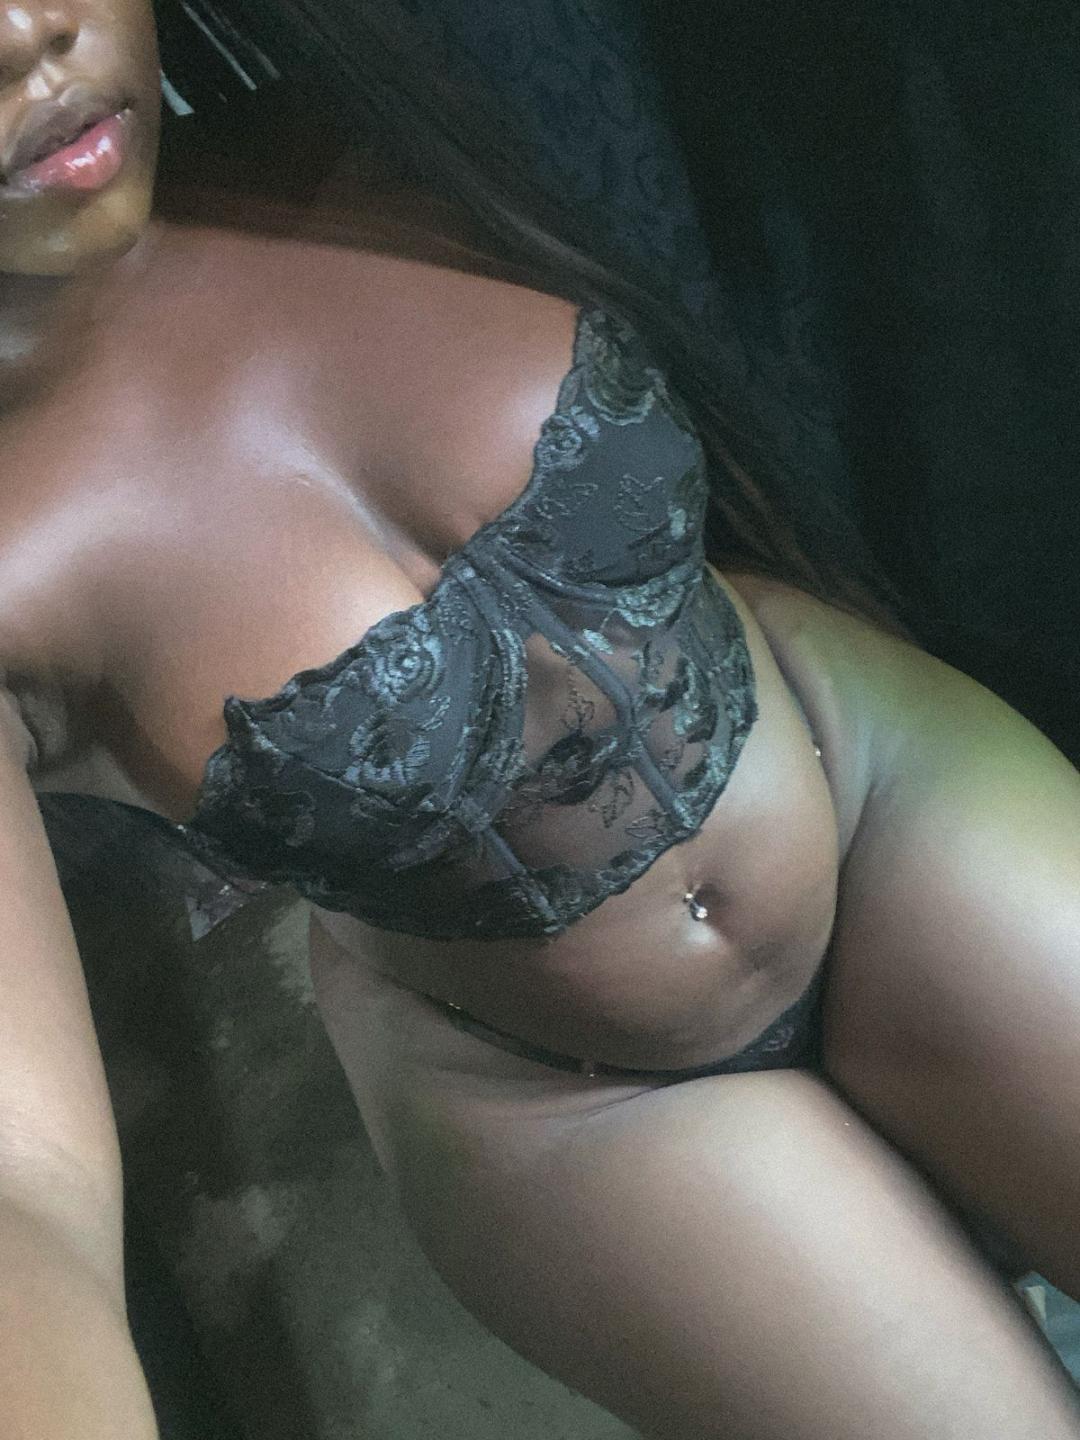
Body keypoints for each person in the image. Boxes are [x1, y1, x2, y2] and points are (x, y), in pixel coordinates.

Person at [1, 0, 1078, 1437]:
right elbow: (24, 1191)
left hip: (868, 781)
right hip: (559, 1097)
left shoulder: (401, 114)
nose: (27, 32)